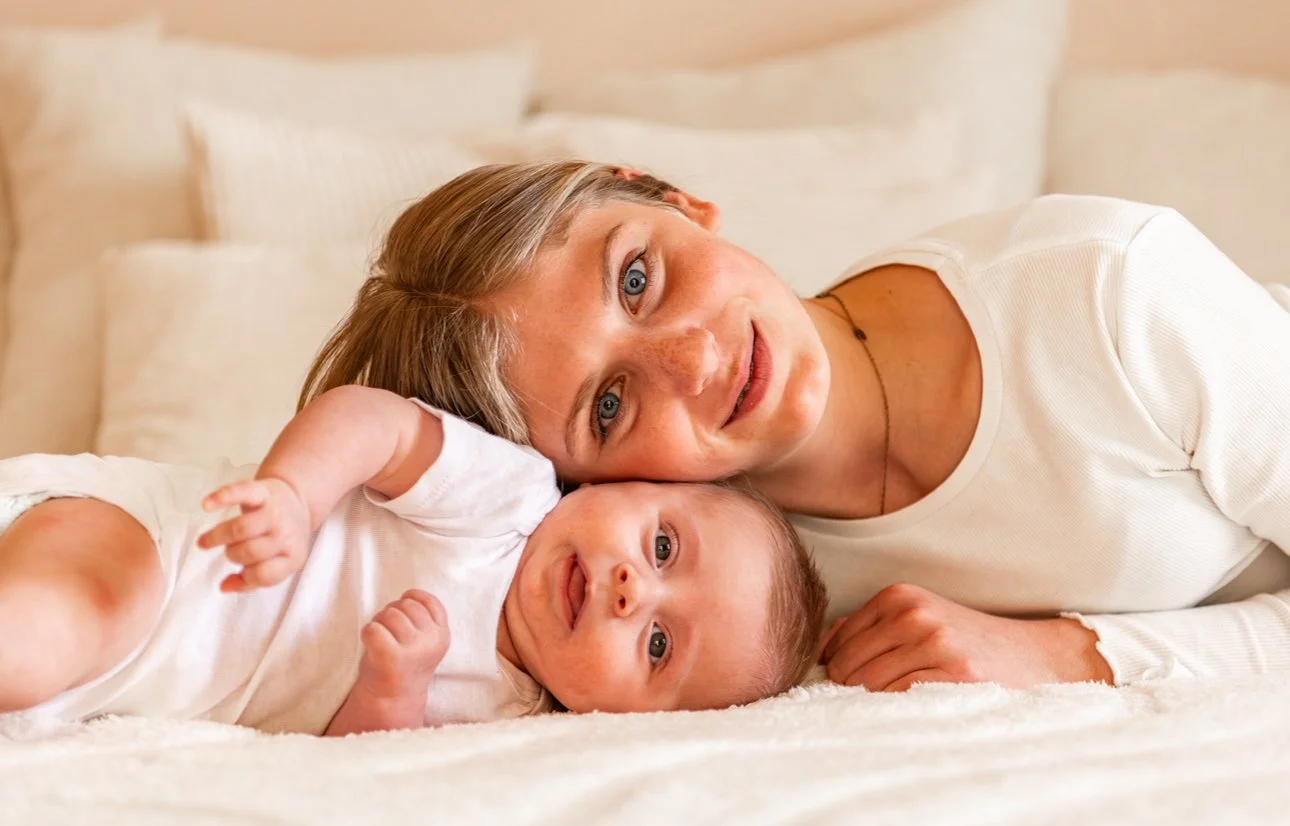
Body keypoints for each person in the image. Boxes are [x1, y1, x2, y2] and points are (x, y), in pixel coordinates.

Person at [301, 159, 1290, 692]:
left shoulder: (1108, 289)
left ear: (675, 197)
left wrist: (1069, 653)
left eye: (637, 278)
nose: (695, 359)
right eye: (609, 406)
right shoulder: (710, 594)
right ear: (572, 488)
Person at [0, 386, 827, 733]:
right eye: (662, 546)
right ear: (634, 482)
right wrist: (295, 494)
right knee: (37, 642)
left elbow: (350, 756)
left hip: (142, 679)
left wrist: (389, 690)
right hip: (162, 549)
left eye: (657, 644)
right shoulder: (511, 502)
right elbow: (376, 421)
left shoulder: (510, 717)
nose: (629, 589)